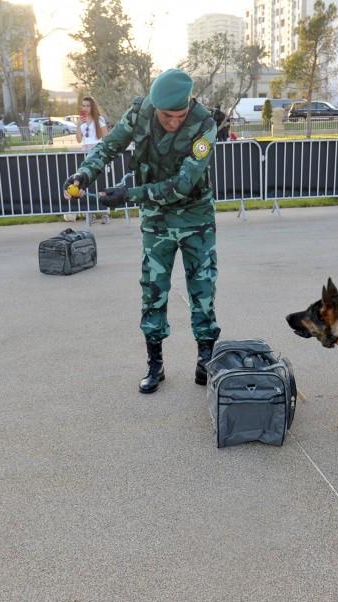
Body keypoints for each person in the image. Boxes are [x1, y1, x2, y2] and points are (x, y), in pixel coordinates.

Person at [62, 68, 220, 395]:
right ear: (154, 105)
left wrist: (129, 196)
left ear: (189, 103)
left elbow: (183, 184)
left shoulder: (204, 125)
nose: (173, 121)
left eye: (179, 115)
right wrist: (83, 175)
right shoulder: (140, 112)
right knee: (153, 289)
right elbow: (109, 147)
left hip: (195, 217)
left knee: (202, 287)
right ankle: (155, 363)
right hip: (157, 221)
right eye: (166, 116)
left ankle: (206, 358)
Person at [75, 95, 110, 223]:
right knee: (86, 183)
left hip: (97, 154)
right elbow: (79, 140)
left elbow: (106, 138)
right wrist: (78, 126)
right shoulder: (81, 121)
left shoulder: (99, 119)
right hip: (85, 154)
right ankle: (90, 213)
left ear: (92, 107)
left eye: (88, 105)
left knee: (101, 184)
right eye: (83, 105)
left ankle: (104, 212)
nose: (85, 108)